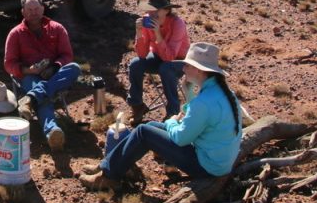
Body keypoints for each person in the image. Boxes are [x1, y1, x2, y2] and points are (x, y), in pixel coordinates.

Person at [80, 42, 242, 190]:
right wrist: (188, 93)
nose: (183, 69)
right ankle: (111, 165)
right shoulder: (224, 93)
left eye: (187, 65)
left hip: (206, 166)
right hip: (219, 160)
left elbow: (181, 138)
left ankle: (108, 177)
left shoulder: (204, 103)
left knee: (143, 131)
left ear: (199, 70)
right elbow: (197, 116)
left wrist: (171, 122)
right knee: (150, 127)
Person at [4, 0, 81, 151]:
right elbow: (9, 63)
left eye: (36, 9)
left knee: (74, 68)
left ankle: (30, 99)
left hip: (54, 73)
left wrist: (54, 67)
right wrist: (28, 70)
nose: (33, 12)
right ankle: (52, 131)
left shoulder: (57, 29)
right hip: (29, 75)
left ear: (43, 9)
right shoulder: (15, 34)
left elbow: (67, 55)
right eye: (29, 9)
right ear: (23, 12)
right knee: (41, 91)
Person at [127, 0, 190, 124]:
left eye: (157, 9)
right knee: (135, 64)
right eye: (150, 9)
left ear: (167, 10)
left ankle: (173, 113)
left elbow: (170, 57)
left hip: (180, 62)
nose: (152, 13)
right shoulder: (146, 21)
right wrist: (139, 33)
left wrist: (157, 34)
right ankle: (137, 106)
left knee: (166, 68)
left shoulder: (178, 24)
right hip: (158, 58)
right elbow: (142, 54)